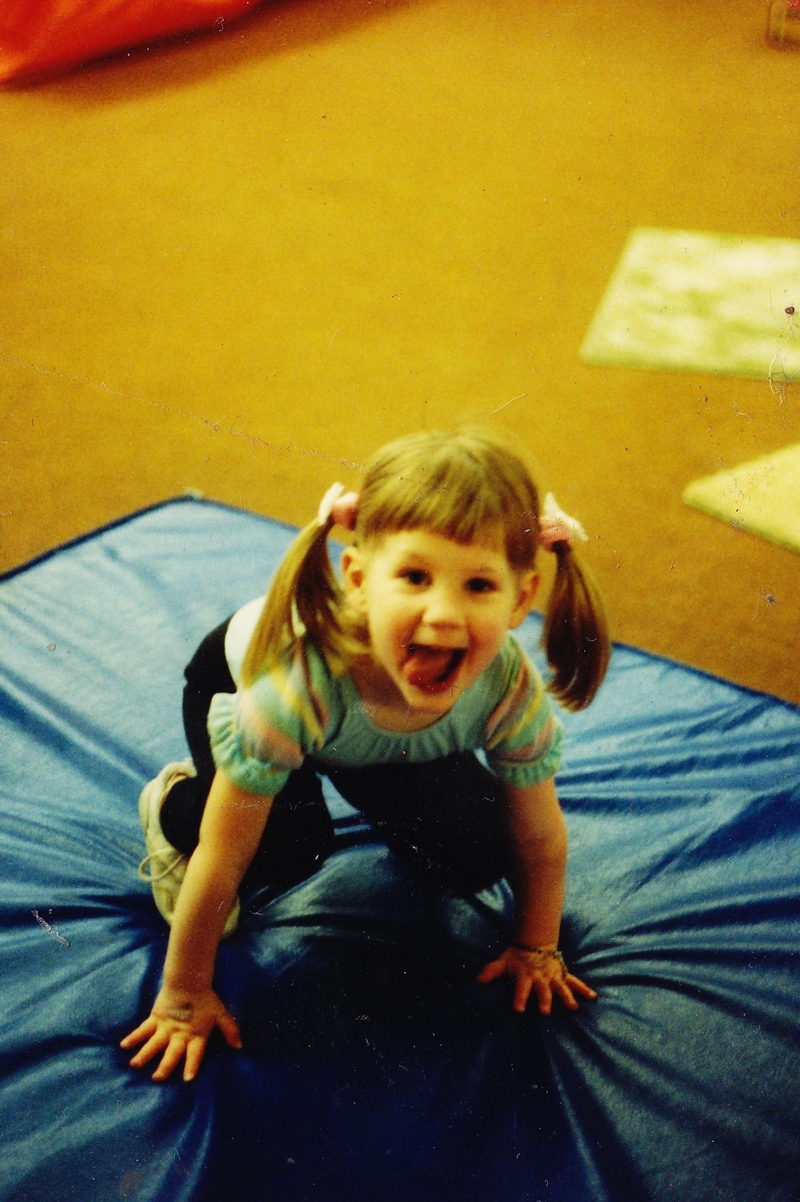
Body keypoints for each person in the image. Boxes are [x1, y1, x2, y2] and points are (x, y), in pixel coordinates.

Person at [121, 427, 610, 1082]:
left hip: (373, 736)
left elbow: (540, 832)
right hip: (251, 689)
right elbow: (226, 852)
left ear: (522, 598)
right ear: (357, 578)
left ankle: (365, 774)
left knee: (475, 851)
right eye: (414, 576)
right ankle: (174, 804)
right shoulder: (298, 683)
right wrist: (182, 995)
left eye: (479, 586)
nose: (442, 615)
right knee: (286, 847)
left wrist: (537, 946)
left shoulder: (506, 687)